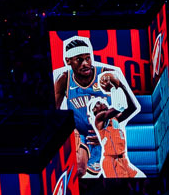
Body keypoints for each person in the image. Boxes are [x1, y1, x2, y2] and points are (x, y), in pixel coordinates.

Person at [53, 34, 137, 178]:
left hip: (106, 138)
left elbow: (128, 109)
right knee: (79, 169)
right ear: (68, 61)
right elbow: (54, 114)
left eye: (88, 58)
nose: (85, 63)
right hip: (81, 136)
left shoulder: (106, 74)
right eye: (79, 60)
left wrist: (104, 136)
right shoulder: (64, 79)